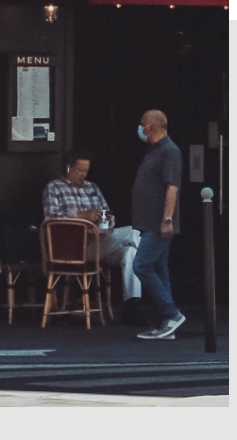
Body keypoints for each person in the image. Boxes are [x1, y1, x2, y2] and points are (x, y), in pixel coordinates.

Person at [42, 150, 145, 325]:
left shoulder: (92, 188)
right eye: (80, 170)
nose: (84, 175)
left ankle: (131, 306)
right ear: (69, 168)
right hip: (72, 248)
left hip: (98, 244)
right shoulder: (54, 188)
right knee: (135, 233)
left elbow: (109, 214)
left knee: (130, 252)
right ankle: (151, 268)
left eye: (86, 171)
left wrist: (102, 220)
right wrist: (81, 215)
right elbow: (50, 218)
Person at [132, 110, 184, 341]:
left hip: (158, 223)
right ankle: (167, 324)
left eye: (143, 124)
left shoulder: (169, 151)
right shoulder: (154, 150)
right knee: (160, 270)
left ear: (152, 127)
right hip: (150, 223)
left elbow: (172, 187)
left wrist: (167, 219)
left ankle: (172, 314)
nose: (140, 127)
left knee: (141, 265)